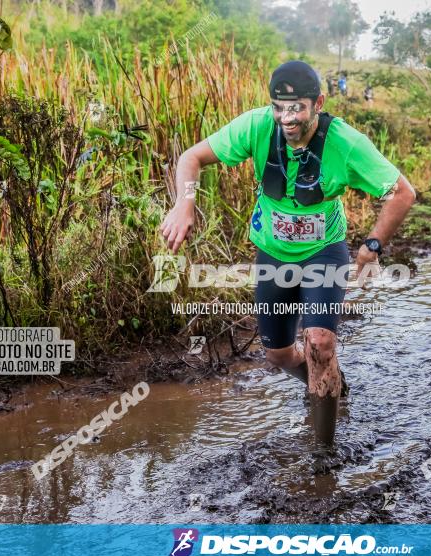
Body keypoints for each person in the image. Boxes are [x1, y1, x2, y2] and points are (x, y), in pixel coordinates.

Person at [160, 61, 415, 444]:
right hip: (273, 256)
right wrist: (185, 203)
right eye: (279, 107)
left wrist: (372, 246)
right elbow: (190, 158)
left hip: (323, 254)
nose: (286, 117)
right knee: (279, 355)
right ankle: (330, 383)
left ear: (318, 103)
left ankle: (322, 457)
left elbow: (402, 192)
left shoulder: (345, 143)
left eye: (296, 107)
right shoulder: (258, 125)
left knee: (319, 342)